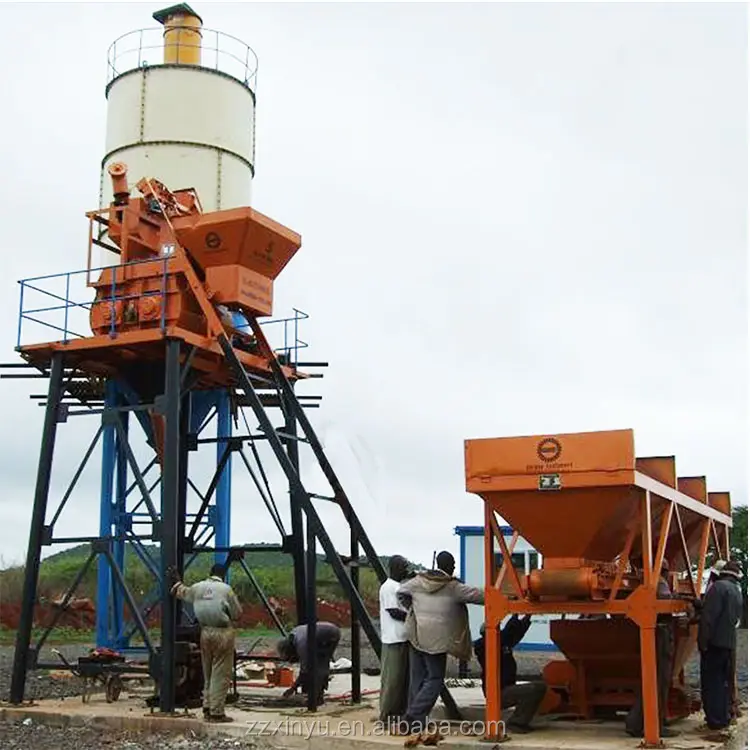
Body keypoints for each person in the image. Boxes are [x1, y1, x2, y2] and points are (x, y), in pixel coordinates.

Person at [397, 550, 484, 738]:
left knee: (417, 680)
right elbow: (479, 596)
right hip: (437, 641)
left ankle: (414, 725)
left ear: (437, 563)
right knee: (435, 680)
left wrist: (411, 608)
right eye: (452, 564)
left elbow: (401, 591)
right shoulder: (453, 587)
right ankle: (411, 718)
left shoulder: (418, 582)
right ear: (451, 565)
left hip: (417, 635)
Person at [169, 563, 242, 723]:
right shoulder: (226, 589)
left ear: (210, 573)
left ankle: (207, 707)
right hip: (223, 632)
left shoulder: (198, 587)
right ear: (223, 575)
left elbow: (180, 592)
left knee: (207, 672)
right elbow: (237, 613)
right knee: (220, 673)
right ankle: (217, 712)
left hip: (205, 632)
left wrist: (176, 580)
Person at [625, 559, 677, 738]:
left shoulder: (647, 584)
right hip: (660, 635)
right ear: (664, 570)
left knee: (650, 681)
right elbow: (664, 606)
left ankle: (636, 723)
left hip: (652, 634)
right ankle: (651, 725)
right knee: (658, 682)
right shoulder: (660, 585)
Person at [473, 616, 547, 733]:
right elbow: (508, 633)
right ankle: (516, 723)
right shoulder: (483, 645)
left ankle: (519, 721)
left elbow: (515, 634)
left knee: (539, 687)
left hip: (506, 689)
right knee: (533, 689)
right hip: (497, 694)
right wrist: (515, 614)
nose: (499, 632)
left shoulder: (502, 644)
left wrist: (527, 617)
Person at [699, 560, 743, 731]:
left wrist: (703, 642)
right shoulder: (736, 590)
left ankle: (715, 720)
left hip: (714, 644)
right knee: (723, 681)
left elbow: (708, 619)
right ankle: (723, 717)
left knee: (712, 683)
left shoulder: (717, 588)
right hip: (728, 643)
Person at [276, 621, 341, 706]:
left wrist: (292, 689)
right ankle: (318, 695)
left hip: (329, 634)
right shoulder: (294, 636)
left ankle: (316, 699)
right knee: (321, 664)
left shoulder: (301, 645)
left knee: (319, 666)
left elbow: (304, 671)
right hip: (326, 631)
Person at [379, 555, 411, 725]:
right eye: (404, 567)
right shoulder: (389, 587)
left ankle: (398, 714)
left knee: (402, 681)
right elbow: (393, 611)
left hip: (403, 639)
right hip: (393, 639)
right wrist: (412, 617)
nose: (406, 570)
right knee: (392, 680)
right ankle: (386, 715)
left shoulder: (399, 586)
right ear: (396, 567)